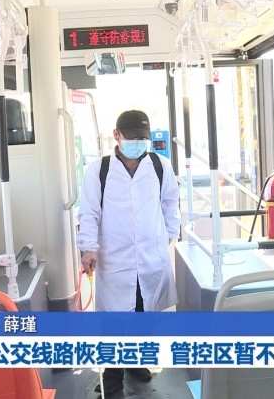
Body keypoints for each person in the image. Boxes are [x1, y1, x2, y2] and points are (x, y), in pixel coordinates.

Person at [76, 110, 181, 395]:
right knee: (114, 321)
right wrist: (88, 248)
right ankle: (111, 381)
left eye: (142, 138)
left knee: (144, 313)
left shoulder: (160, 166)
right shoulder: (99, 170)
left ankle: (135, 361)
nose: (137, 143)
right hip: (115, 260)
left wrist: (168, 237)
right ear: (117, 135)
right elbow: (89, 213)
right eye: (132, 137)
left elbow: (170, 204)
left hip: (150, 257)